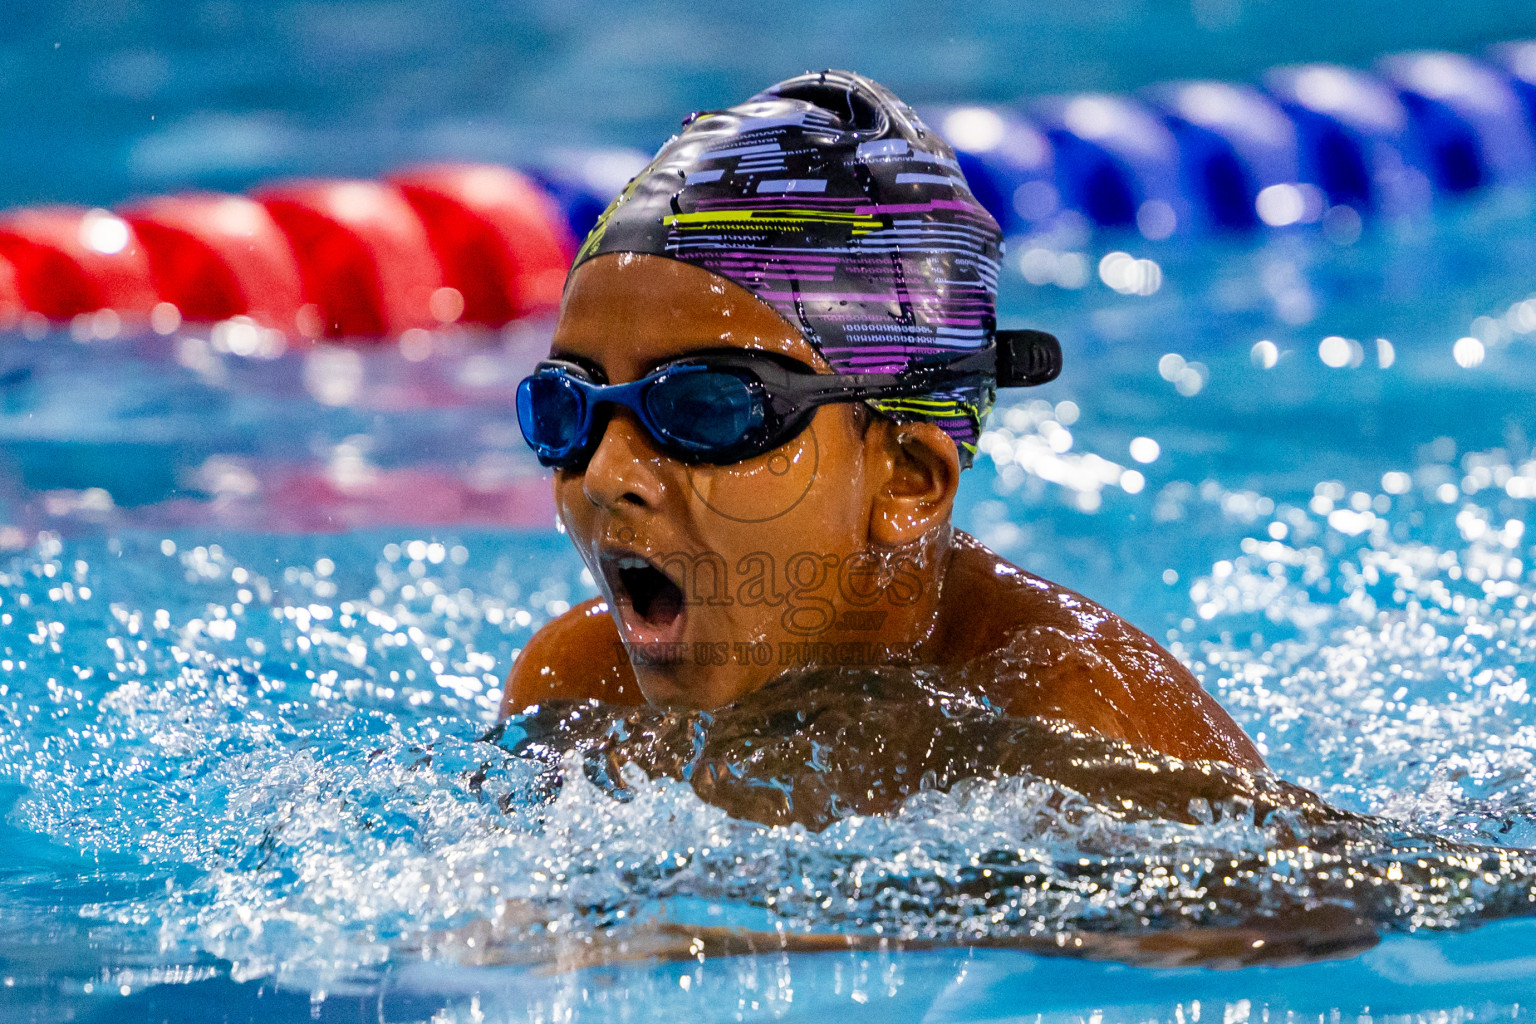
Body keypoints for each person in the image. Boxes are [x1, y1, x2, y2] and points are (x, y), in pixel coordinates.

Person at [498, 69, 1261, 771]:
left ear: (907, 479)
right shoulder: (578, 692)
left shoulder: (1076, 723)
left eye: (703, 407)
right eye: (570, 409)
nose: (604, 475)